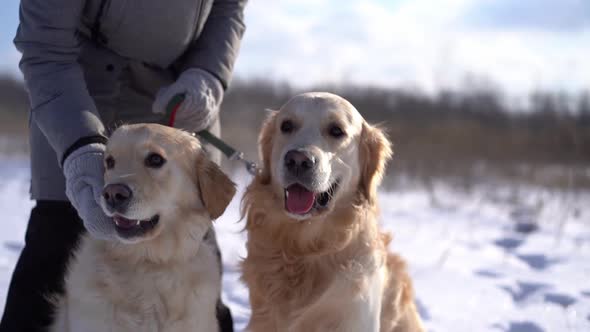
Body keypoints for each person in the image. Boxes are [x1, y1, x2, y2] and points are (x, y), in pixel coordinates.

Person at [0, 0, 246, 331]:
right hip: (78, 99)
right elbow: (45, 47)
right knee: (51, 252)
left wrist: (209, 75)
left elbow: (228, 10)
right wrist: (79, 150)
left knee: (203, 278)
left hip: (182, 106)